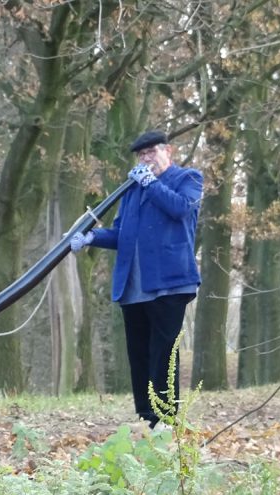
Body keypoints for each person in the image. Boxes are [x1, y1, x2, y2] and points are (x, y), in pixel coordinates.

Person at [70, 130, 203, 429]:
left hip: (170, 283)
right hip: (133, 286)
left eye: (151, 152)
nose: (146, 159)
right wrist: (91, 237)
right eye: (141, 155)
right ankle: (146, 416)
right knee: (139, 352)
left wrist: (151, 183)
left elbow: (180, 208)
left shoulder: (188, 179)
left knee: (164, 352)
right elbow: (121, 234)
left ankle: (166, 417)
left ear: (168, 151)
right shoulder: (132, 191)